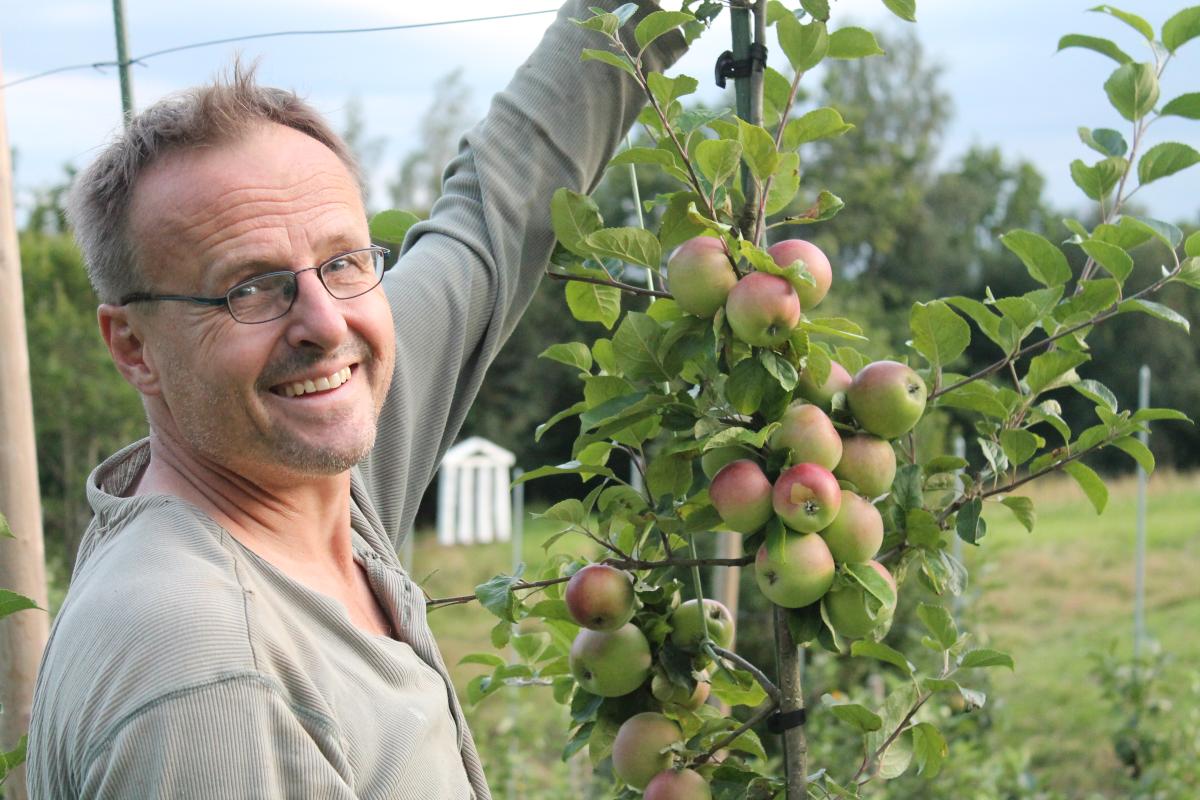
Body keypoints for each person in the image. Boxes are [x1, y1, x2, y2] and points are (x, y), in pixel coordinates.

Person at [26, 2, 685, 797]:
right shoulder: (214, 677)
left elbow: (495, 209)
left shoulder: (306, 473)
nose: (325, 324)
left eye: (343, 261)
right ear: (134, 347)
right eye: (250, 288)